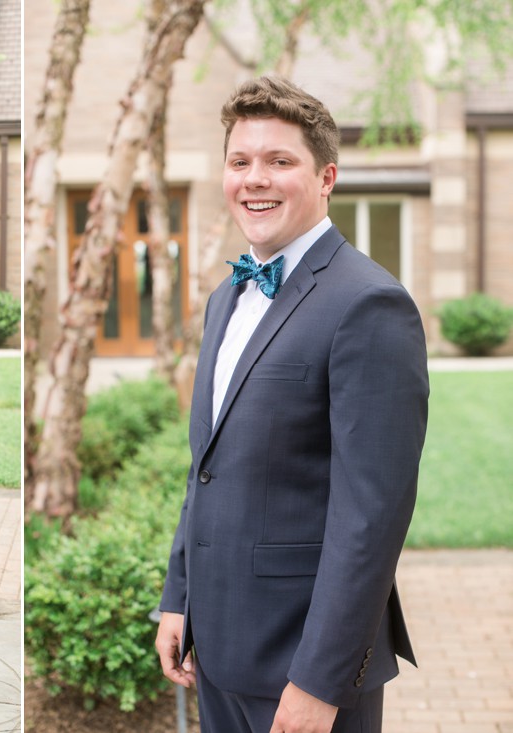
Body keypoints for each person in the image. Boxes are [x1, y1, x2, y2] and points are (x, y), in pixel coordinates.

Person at [154, 76, 429, 732]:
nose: (256, 179)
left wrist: (320, 678)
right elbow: (208, 470)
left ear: (327, 176)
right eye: (240, 161)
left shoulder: (369, 304)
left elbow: (372, 517)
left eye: (280, 161)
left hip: (302, 663)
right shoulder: (226, 299)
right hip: (217, 646)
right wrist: (178, 598)